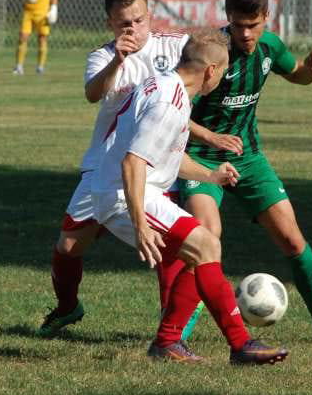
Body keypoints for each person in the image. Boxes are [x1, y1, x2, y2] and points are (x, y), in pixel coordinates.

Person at [180, 0, 312, 349]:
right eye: (237, 25)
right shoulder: (210, 52)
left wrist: (311, 69)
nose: (245, 34)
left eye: (253, 25)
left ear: (266, 17)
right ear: (227, 17)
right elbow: (173, 112)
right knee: (205, 239)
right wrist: (211, 138)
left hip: (249, 158)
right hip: (199, 158)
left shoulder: (270, 46)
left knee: (292, 239)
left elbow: (296, 74)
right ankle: (178, 330)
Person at [92, 29, 288, 364]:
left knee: (199, 251)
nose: (222, 78)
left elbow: (164, 152)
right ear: (211, 71)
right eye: (223, 72)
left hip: (134, 188)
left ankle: (168, 343)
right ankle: (240, 345)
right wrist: (140, 225)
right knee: (207, 245)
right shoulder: (169, 103)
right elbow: (133, 162)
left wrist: (210, 176)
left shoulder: (170, 86)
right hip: (125, 195)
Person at [38, 0, 192, 337]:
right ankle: (67, 308)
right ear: (110, 23)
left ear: (149, 15)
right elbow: (93, 94)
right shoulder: (103, 56)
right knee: (67, 247)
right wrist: (118, 62)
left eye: (139, 20)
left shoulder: (175, 46)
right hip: (103, 167)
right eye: (124, 24)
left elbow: (209, 63)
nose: (133, 30)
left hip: (150, 167)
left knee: (164, 246)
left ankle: (172, 330)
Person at [14, 0, 59, 75]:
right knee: (23, 37)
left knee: (42, 39)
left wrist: (54, 7)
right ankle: (18, 67)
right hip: (28, 12)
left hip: (43, 13)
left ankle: (40, 67)